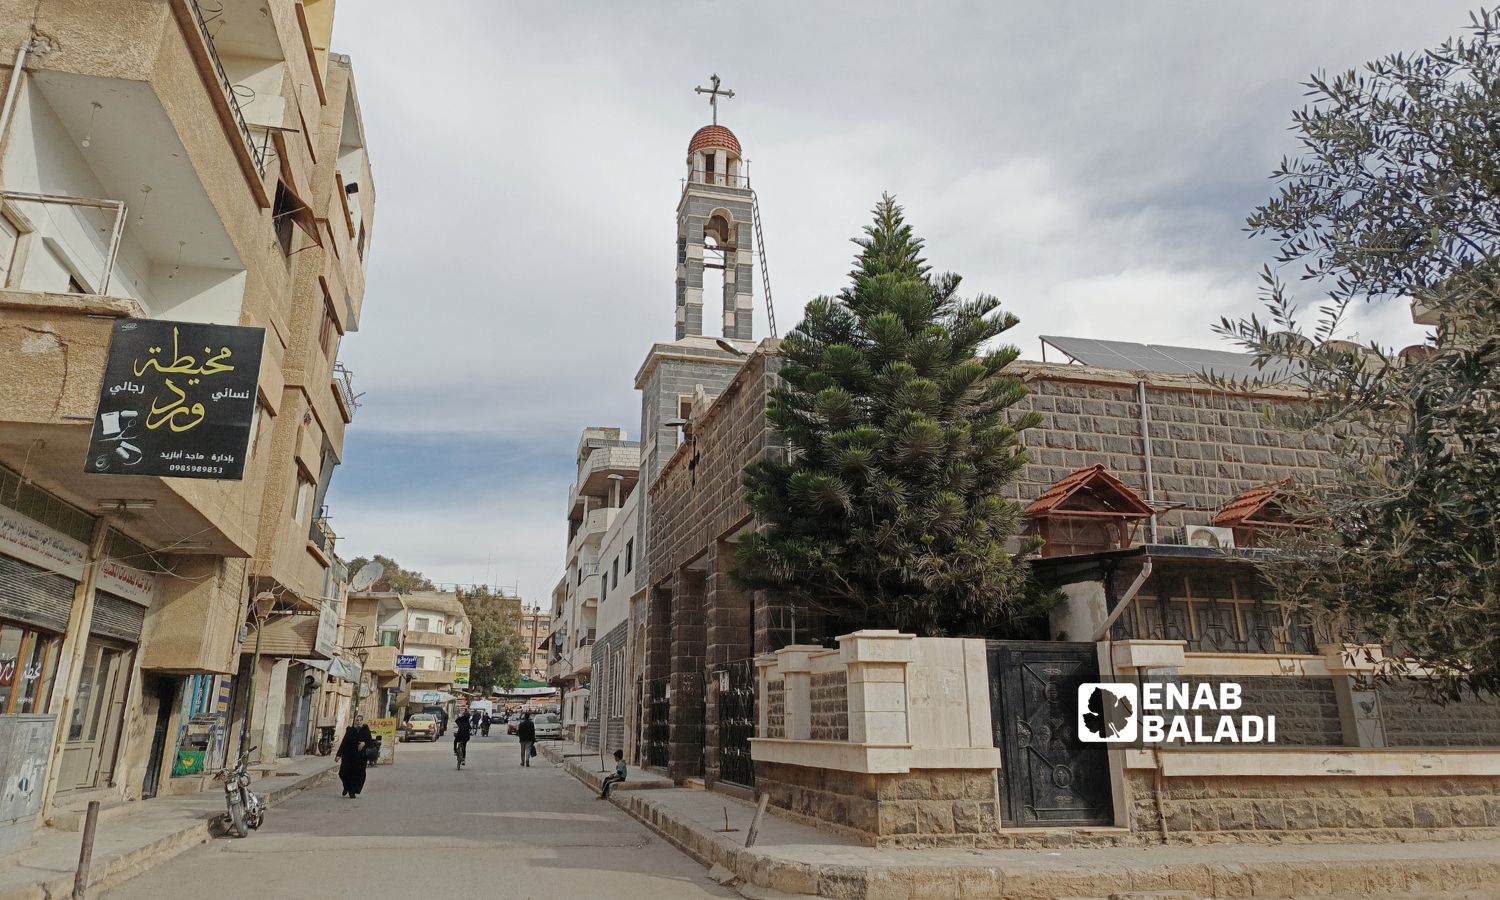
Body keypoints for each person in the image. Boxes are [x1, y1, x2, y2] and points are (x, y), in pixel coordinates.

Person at [335, 714, 373, 798]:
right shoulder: (350, 730)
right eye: (357, 720)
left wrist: (364, 743)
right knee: (343, 772)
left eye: (360, 720)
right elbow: (344, 743)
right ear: (354, 721)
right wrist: (339, 755)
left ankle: (352, 791)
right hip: (348, 756)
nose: (359, 722)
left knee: (357, 775)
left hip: (360, 757)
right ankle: (346, 787)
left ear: (362, 721)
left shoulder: (366, 731)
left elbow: (371, 743)